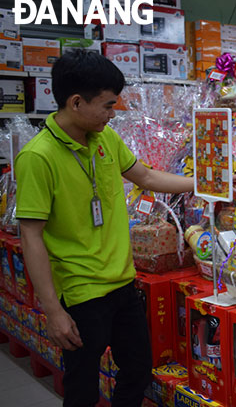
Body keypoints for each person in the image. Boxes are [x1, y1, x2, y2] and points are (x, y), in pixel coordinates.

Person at [15, 50, 194, 407]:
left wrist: (205, 182)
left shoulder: (105, 139)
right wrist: (53, 311)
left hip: (123, 283)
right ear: (76, 102)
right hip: (82, 293)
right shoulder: (38, 157)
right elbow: (30, 235)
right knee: (82, 389)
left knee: (138, 371)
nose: (112, 115)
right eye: (107, 106)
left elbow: (145, 176)